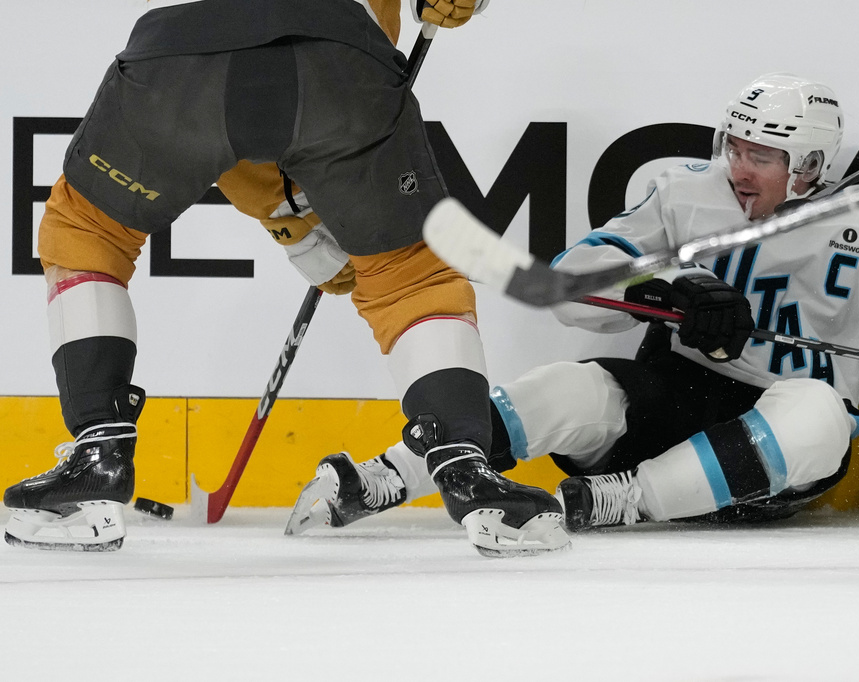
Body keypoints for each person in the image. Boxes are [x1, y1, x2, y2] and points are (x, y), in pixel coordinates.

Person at [287, 72, 859, 534]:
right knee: (570, 386)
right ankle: (384, 478)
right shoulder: (686, 193)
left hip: (774, 451)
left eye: (763, 157)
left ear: (808, 169)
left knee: (818, 413)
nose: (739, 169)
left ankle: (626, 499)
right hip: (672, 398)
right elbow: (570, 282)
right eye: (734, 147)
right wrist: (664, 288)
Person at [4, 0, 571, 557]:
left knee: (87, 233)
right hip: (342, 59)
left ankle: (97, 454)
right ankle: (466, 470)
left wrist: (290, 224)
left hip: (177, 59)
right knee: (410, 276)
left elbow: (236, 90)